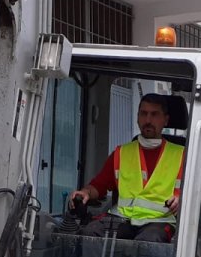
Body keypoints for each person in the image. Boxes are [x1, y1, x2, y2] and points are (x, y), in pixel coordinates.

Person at [69, 94, 185, 242]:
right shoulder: (121, 153)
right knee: (91, 232)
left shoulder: (181, 155)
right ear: (137, 117)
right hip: (122, 218)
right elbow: (99, 185)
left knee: (149, 240)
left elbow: (193, 196)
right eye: (143, 114)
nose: (148, 120)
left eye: (154, 114)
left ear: (165, 120)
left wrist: (181, 199)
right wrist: (85, 192)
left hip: (160, 221)